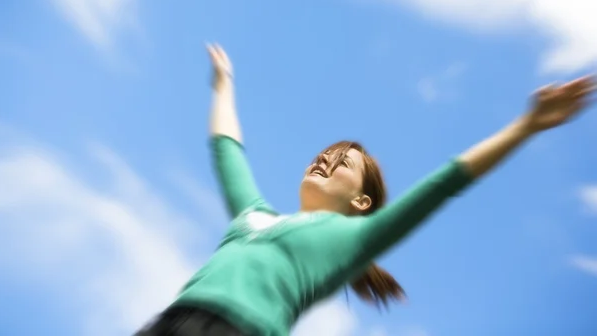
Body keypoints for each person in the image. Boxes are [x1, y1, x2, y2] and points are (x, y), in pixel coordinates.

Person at [136, 44, 595, 336]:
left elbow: (444, 184)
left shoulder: (348, 240)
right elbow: (227, 150)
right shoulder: (251, 216)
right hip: (168, 322)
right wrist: (223, 86)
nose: (325, 159)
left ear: (361, 202)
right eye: (325, 153)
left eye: (343, 163)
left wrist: (526, 125)